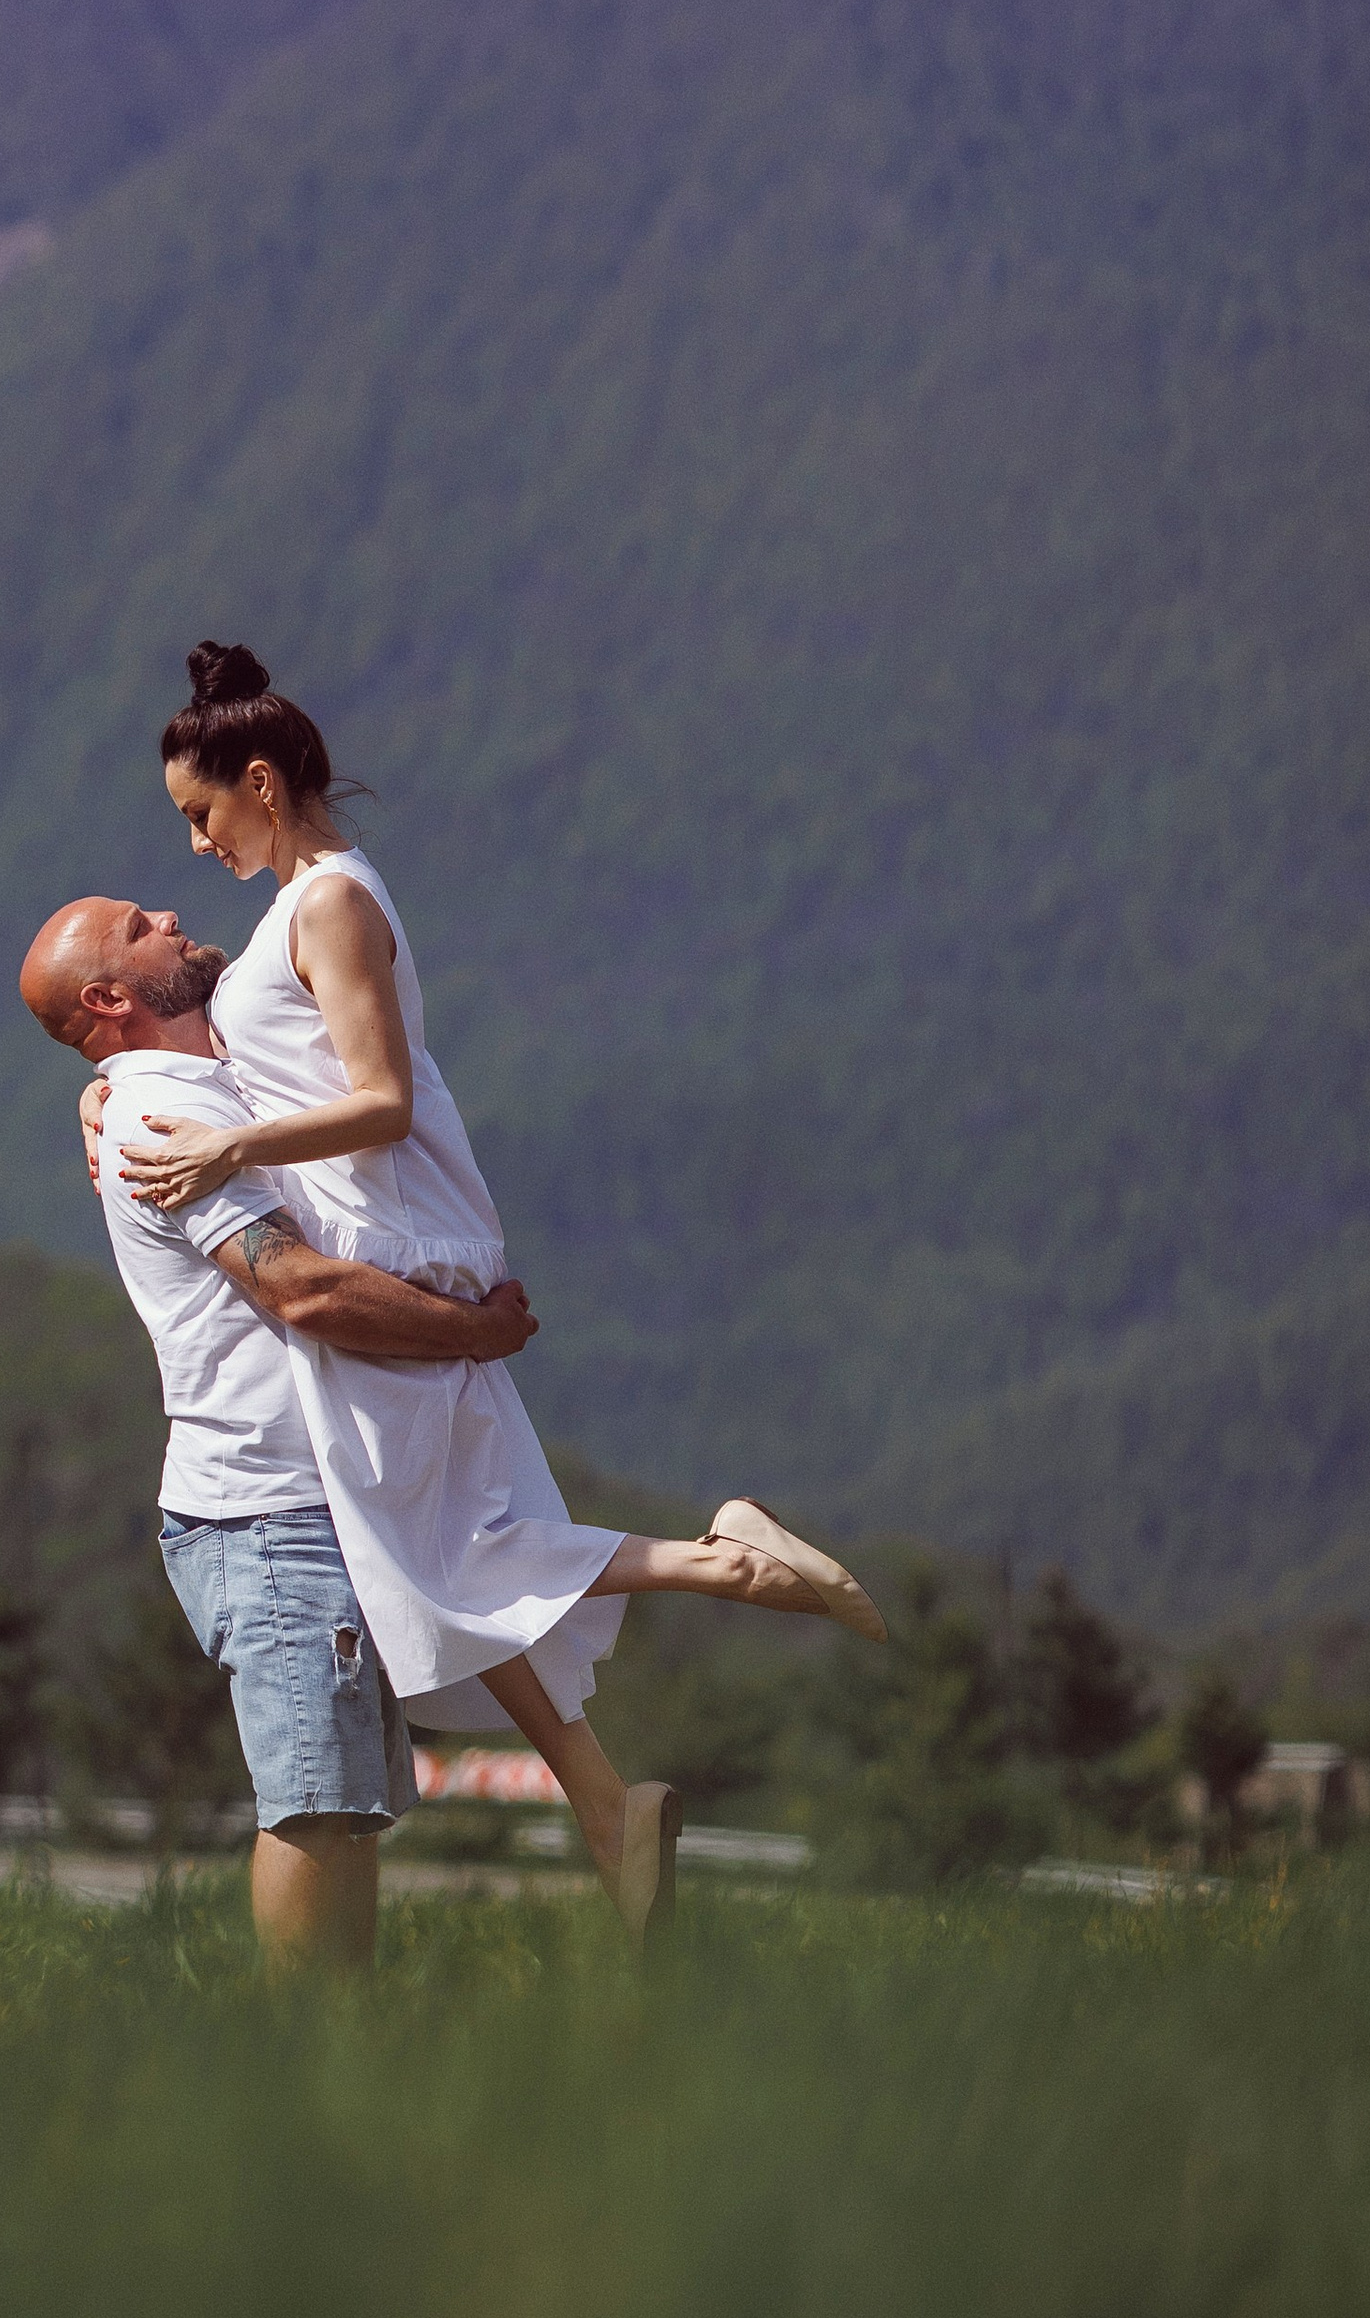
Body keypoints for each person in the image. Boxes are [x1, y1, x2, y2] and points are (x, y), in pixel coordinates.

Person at [105, 642, 886, 1884]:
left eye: (199, 815)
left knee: (437, 1544)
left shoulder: (332, 904)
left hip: (391, 1237)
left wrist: (222, 1145)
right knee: (430, 1542)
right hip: (395, 1230)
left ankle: (722, 1568)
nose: (194, 847)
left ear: (258, 782)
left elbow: (379, 1098)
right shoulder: (305, 904)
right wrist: (131, 1096)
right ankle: (606, 1795)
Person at [19, 889, 684, 1969]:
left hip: (303, 1500)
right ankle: (306, 2067)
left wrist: (93, 1088)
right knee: (317, 1804)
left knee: (346, 1800)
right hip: (267, 1512)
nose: (171, 907)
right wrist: (472, 1333)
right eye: (139, 925)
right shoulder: (156, 1118)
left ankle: (342, 2052)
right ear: (109, 995)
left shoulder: (196, 1076)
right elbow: (304, 1291)